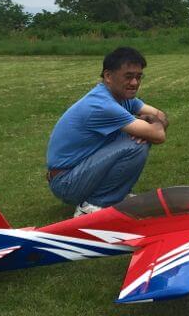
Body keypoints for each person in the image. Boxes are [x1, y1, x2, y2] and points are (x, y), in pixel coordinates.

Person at [46, 47, 169, 217]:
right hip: (66, 182)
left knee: (138, 136)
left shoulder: (123, 98)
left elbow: (161, 116)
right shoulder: (101, 104)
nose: (134, 83)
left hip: (79, 172)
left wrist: (152, 123)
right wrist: (150, 126)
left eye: (139, 77)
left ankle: (116, 196)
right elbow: (159, 135)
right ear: (108, 76)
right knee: (136, 144)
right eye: (128, 76)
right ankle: (93, 206)